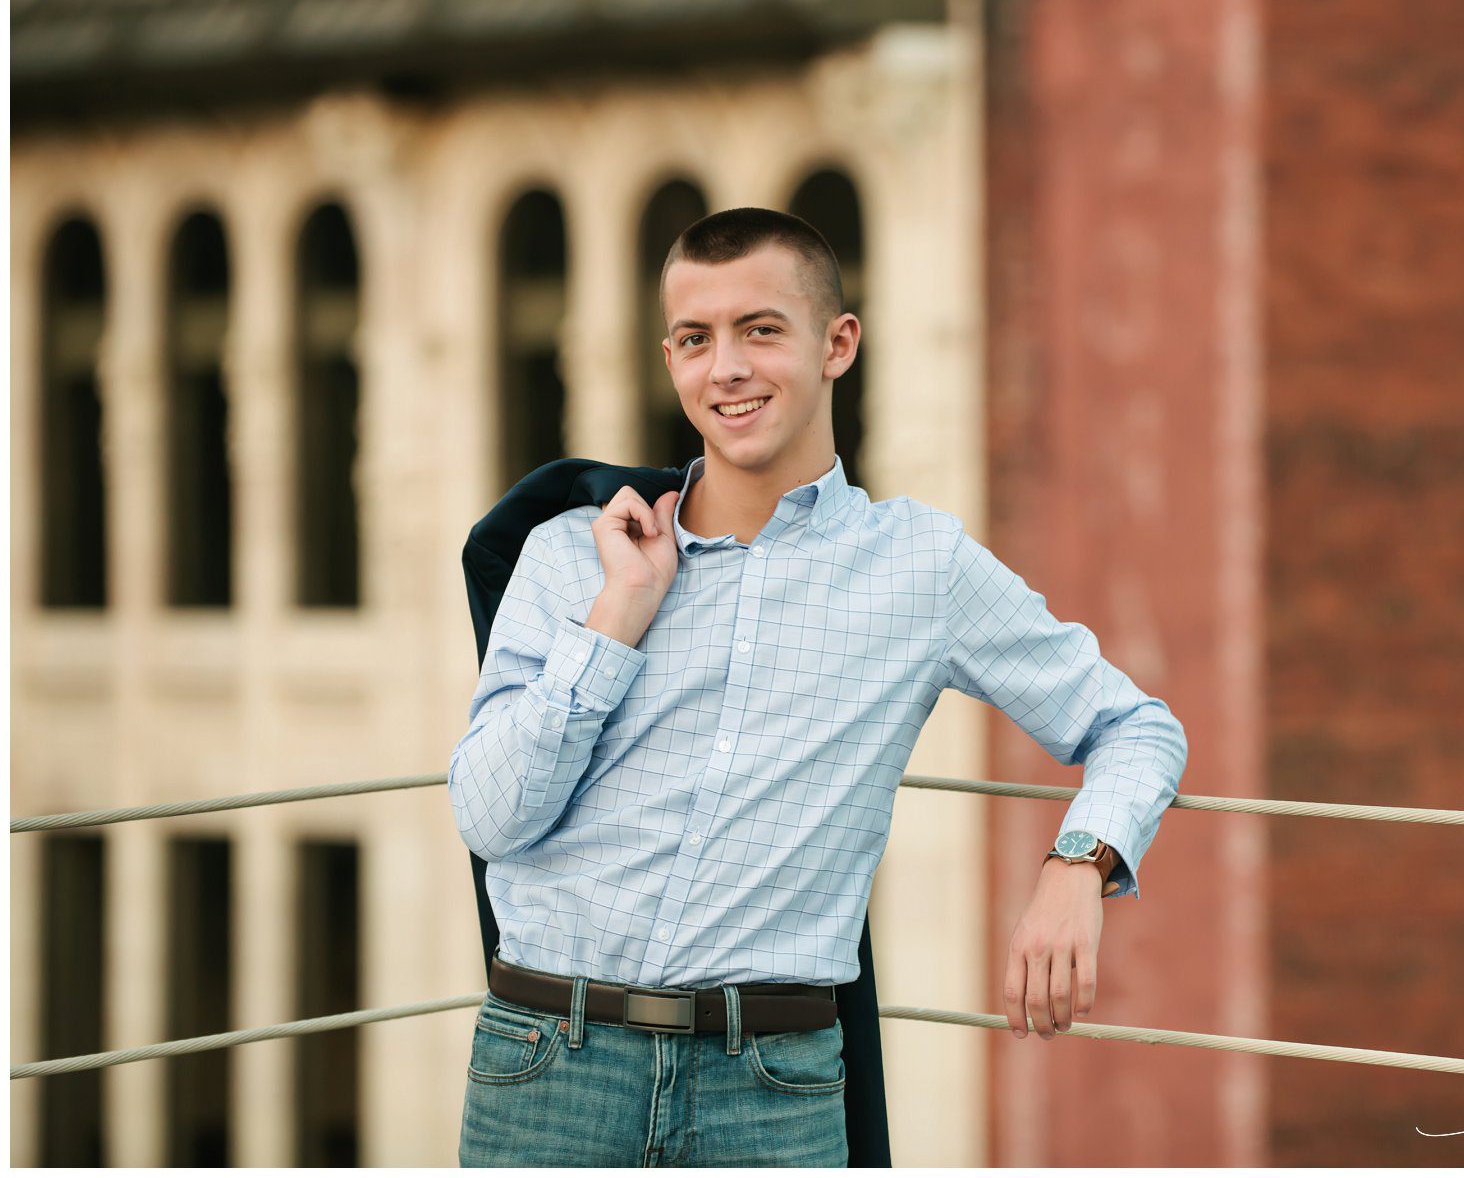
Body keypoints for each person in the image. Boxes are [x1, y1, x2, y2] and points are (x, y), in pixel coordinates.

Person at [449, 205, 1187, 1170]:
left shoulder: (917, 567)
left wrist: (1076, 868)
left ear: (838, 343)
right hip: (548, 1064)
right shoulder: (570, 555)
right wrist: (617, 619)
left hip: (771, 1089)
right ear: (669, 359)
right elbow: (491, 818)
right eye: (694, 339)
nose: (727, 369)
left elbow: (1137, 725)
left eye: (761, 330)